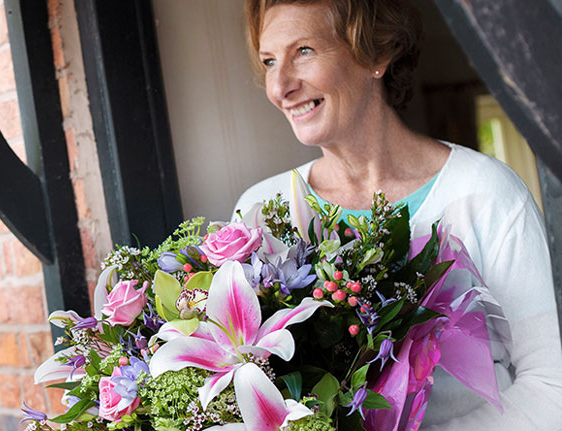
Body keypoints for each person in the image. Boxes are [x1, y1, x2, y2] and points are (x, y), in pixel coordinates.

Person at [233, 0, 562, 429]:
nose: (280, 86)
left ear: (377, 54)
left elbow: (551, 383)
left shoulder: (486, 193)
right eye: (270, 60)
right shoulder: (260, 211)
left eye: (304, 52)